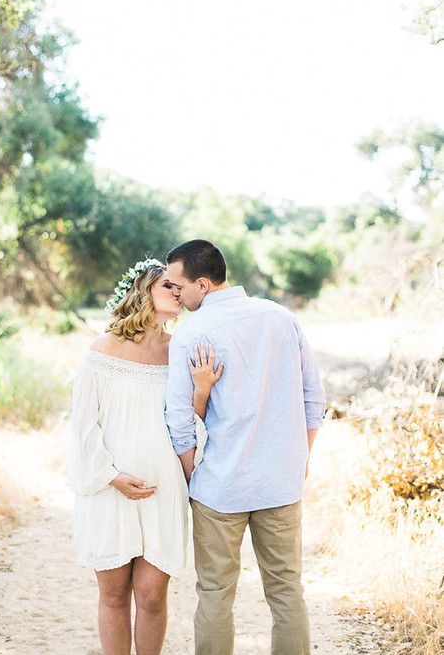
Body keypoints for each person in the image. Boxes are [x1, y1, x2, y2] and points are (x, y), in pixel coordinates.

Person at [164, 239, 326, 655]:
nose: (175, 295)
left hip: (219, 487)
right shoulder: (281, 317)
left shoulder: (191, 334)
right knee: (287, 592)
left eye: (179, 287)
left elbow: (179, 423)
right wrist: (300, 459)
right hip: (281, 483)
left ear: (202, 283)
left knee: (215, 593)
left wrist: (190, 476)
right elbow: (314, 401)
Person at [69, 257, 213, 655]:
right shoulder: (102, 350)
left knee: (151, 597)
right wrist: (112, 476)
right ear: (145, 290)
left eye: (180, 287)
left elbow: (192, 423)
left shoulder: (180, 351)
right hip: (109, 489)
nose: (179, 293)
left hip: (162, 490)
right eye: (170, 286)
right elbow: (83, 426)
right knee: (114, 596)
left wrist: (201, 390)